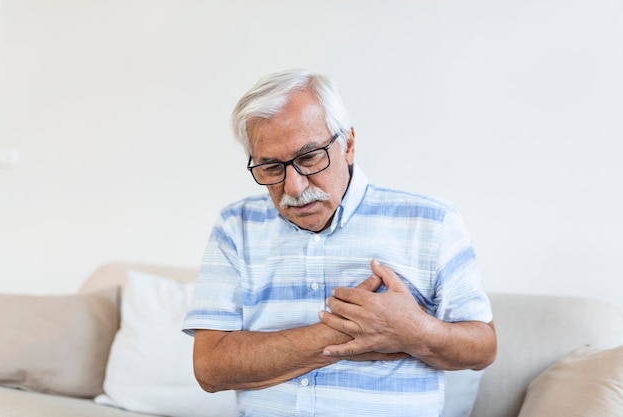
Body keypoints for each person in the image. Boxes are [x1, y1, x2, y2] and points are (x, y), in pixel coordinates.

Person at [182, 68, 497, 417]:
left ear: (347, 144)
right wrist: (361, 332)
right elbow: (210, 368)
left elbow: (482, 348)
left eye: (309, 157)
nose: (294, 188)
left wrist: (414, 331)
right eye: (271, 167)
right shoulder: (235, 226)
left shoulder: (431, 222)